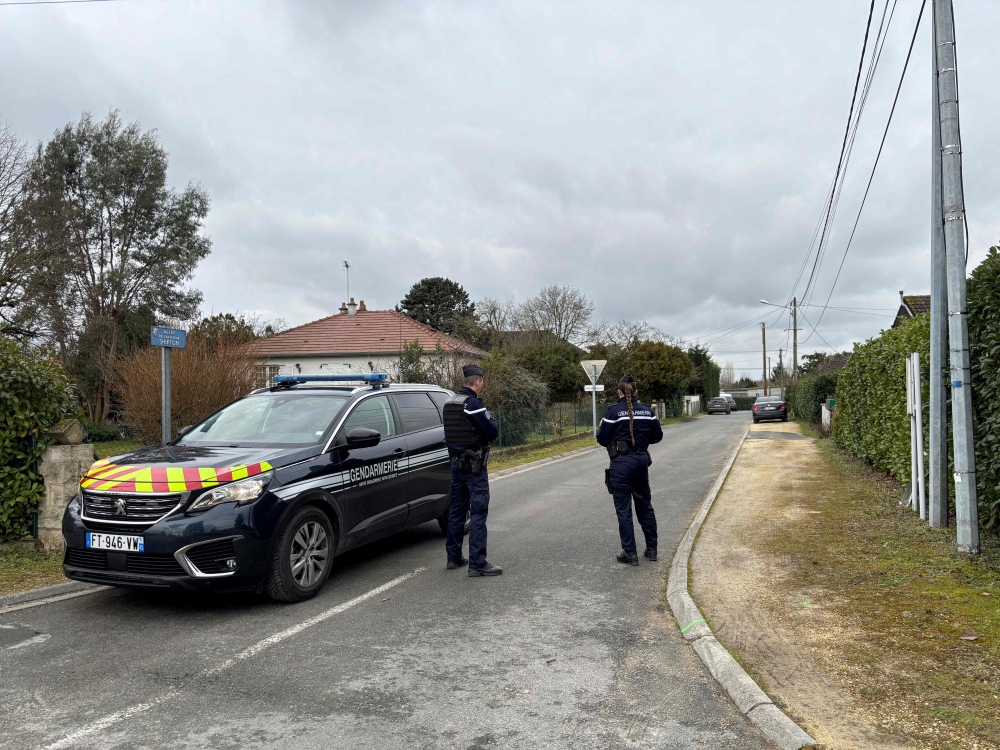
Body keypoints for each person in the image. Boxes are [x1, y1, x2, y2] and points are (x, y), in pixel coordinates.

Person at [596, 373, 663, 566]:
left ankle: (630, 553)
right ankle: (652, 550)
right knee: (645, 505)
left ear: (619, 392)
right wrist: (640, 442)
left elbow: (601, 438)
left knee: (623, 509)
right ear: (636, 391)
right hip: (641, 460)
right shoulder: (648, 412)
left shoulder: (613, 412)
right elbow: (657, 436)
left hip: (621, 463)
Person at [442, 364, 502, 577]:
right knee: (478, 513)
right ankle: (477, 563)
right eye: (482, 382)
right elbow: (491, 432)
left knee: (457, 512)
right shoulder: (473, 404)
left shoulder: (449, 403)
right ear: (478, 382)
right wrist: (491, 419)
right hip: (474, 467)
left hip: (456, 465)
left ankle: (453, 557)